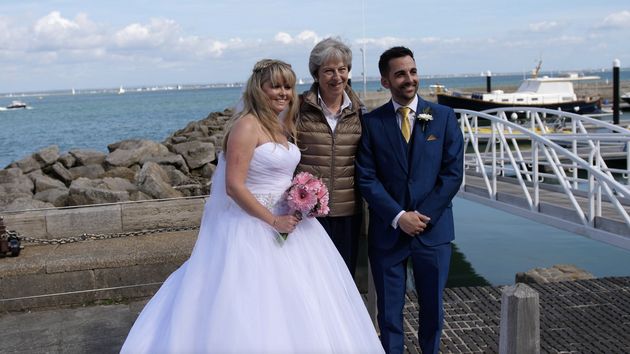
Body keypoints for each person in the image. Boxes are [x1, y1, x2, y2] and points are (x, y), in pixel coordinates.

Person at [120, 59, 384, 353]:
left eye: (288, 86)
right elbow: (233, 186)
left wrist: (304, 194)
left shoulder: (279, 125)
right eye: (276, 86)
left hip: (294, 226)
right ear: (259, 89)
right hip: (255, 227)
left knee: (305, 301)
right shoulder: (246, 126)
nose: (283, 93)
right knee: (255, 304)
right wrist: (273, 221)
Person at [356, 47, 464, 354]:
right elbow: (366, 177)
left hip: (433, 232)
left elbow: (452, 174)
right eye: (400, 73)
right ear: (385, 81)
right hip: (388, 232)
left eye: (413, 71)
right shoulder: (372, 123)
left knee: (433, 312)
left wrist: (421, 216)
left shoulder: (441, 117)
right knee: (389, 315)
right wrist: (399, 216)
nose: (409, 79)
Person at [296, 37, 364, 276]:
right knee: (310, 280)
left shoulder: (360, 113)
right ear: (316, 75)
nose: (337, 77)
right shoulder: (298, 110)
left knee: (344, 278)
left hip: (348, 213)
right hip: (307, 214)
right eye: (328, 71)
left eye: (342, 69)